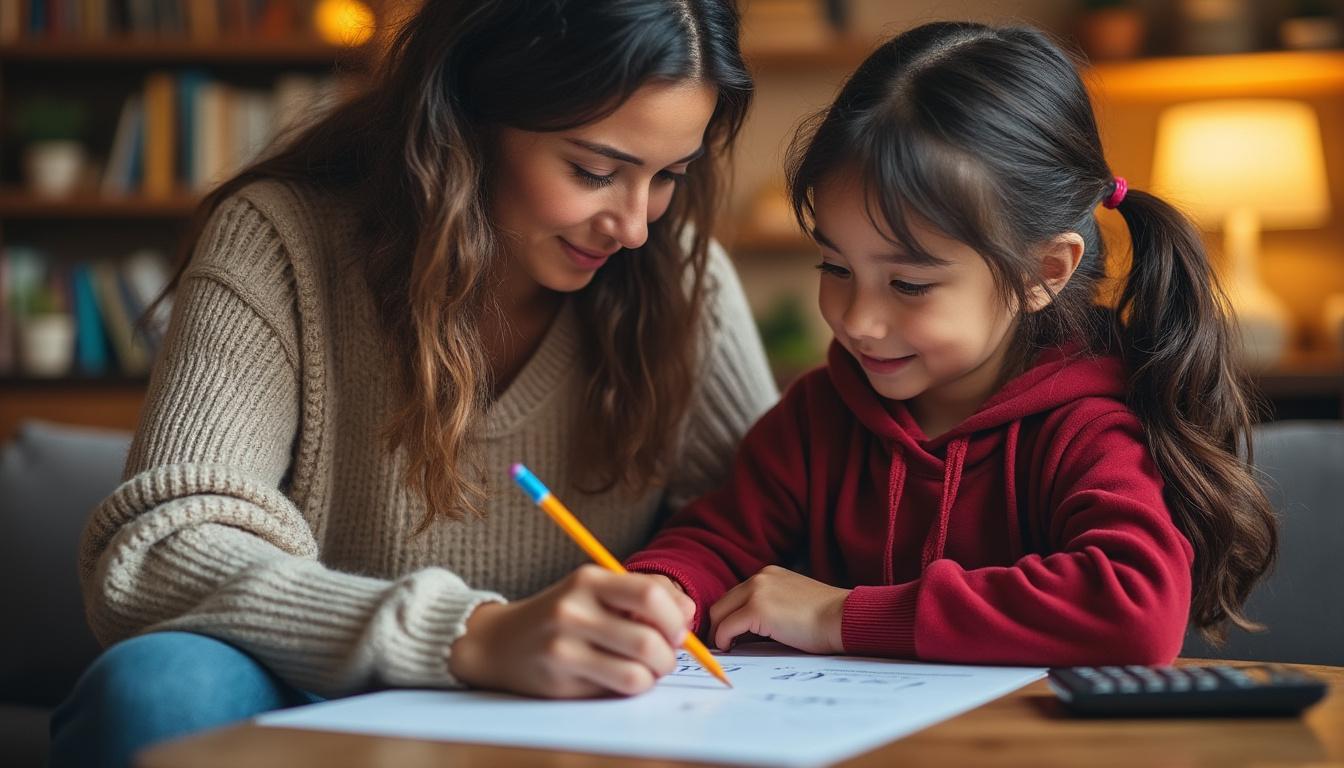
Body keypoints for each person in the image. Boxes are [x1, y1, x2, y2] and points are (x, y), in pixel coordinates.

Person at [52, 1, 778, 765]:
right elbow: (163, 546)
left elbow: (770, 519)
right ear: (468, 118)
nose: (634, 225)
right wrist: (472, 635)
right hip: (317, 691)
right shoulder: (281, 241)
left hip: (585, 714)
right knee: (160, 689)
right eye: (594, 171)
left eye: (668, 176)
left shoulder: (676, 272)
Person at [627, 21, 1278, 666]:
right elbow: (718, 540)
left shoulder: (1089, 429)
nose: (858, 320)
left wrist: (840, 616)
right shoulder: (820, 415)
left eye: (908, 284)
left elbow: (1133, 613)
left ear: (1042, 273)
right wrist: (665, 591)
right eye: (835, 268)